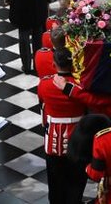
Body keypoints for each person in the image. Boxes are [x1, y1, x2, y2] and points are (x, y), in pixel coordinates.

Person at [37, 48, 90, 204]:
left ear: (54, 64)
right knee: (77, 180)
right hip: (77, 137)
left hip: (55, 137)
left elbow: (42, 103)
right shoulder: (79, 85)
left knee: (55, 180)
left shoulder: (45, 83)